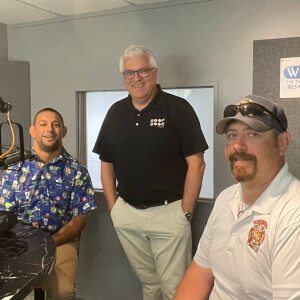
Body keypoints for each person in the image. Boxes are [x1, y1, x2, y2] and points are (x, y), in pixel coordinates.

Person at [93, 45, 208, 300]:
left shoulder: (179, 109)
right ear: (123, 77)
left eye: (143, 70)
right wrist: (115, 208)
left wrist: (185, 212)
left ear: (154, 72)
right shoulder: (115, 113)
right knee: (149, 285)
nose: (136, 78)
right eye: (129, 72)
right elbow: (106, 163)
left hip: (169, 215)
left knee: (175, 289)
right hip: (128, 215)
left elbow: (197, 163)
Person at [174, 95, 300, 300]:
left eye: (252, 134)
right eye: (232, 135)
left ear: (282, 143)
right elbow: (200, 274)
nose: (238, 146)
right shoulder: (226, 199)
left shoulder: (293, 215)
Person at [0, 108, 96, 299]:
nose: (50, 129)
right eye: (43, 124)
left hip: (59, 242)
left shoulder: (77, 171)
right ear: (32, 131)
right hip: (18, 244)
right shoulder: (14, 168)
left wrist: (48, 244)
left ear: (63, 131)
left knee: (63, 291)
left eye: (56, 125)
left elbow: (79, 221)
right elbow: (5, 213)